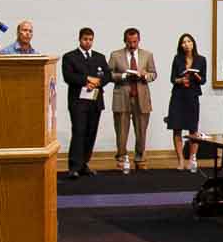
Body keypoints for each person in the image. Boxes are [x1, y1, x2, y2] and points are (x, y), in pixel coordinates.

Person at [62, 27, 110, 178]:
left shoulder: (99, 57)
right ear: (80, 39)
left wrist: (97, 83)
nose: (88, 42)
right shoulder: (70, 57)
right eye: (85, 39)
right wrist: (86, 80)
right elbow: (68, 76)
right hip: (78, 101)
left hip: (95, 101)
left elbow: (107, 76)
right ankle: (74, 167)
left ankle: (84, 164)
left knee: (91, 133)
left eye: (90, 40)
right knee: (79, 132)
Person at [108, 27, 158, 171]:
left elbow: (154, 74)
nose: (132, 45)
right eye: (130, 42)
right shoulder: (115, 55)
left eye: (135, 41)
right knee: (121, 131)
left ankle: (140, 158)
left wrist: (145, 75)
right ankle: (122, 158)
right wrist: (123, 75)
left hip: (141, 97)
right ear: (125, 41)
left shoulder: (147, 55)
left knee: (141, 130)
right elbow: (109, 74)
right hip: (122, 96)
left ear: (139, 40)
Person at [166, 33, 209, 171]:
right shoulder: (177, 59)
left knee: (193, 128)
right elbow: (172, 78)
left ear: (193, 43)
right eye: (183, 42)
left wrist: (196, 75)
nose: (186, 44)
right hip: (178, 96)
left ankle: (192, 159)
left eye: (189, 41)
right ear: (180, 45)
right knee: (176, 128)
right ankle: (180, 160)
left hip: (192, 96)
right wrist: (180, 80)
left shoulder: (201, 59)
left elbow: (203, 80)